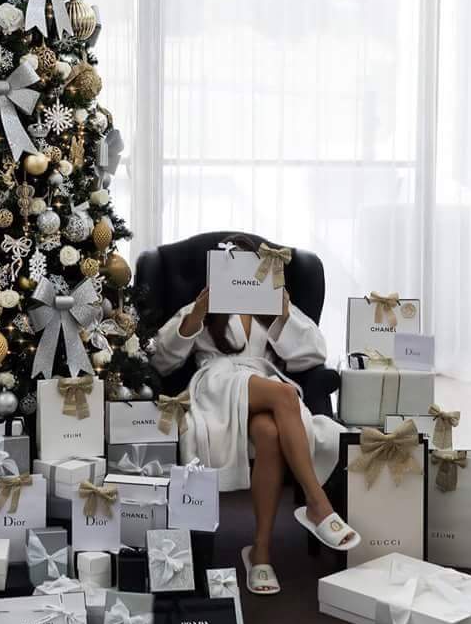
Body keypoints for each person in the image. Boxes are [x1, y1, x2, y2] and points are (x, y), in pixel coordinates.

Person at [152, 237, 360, 595]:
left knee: (269, 434)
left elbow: (313, 355)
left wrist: (283, 314)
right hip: (217, 384)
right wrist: (197, 314)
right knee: (285, 395)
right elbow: (161, 358)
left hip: (261, 382)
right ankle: (317, 503)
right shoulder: (204, 304)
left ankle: (260, 552)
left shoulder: (271, 302)